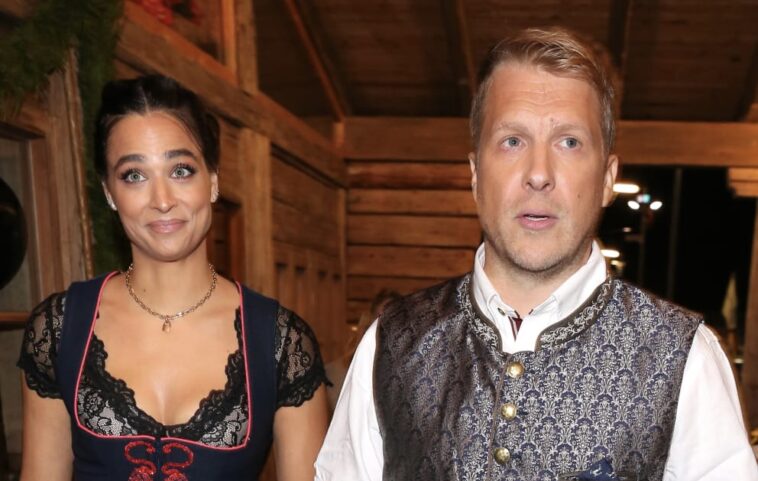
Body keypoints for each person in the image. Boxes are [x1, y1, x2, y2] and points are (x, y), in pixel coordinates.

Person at [315, 27, 758, 480]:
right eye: (513, 141)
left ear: (607, 179)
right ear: (475, 174)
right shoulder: (393, 343)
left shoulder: (684, 358)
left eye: (569, 142)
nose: (539, 174)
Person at [17, 75, 329, 481]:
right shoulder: (59, 329)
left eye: (181, 170)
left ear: (212, 180)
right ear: (109, 192)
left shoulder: (281, 343)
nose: (162, 200)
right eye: (134, 175)